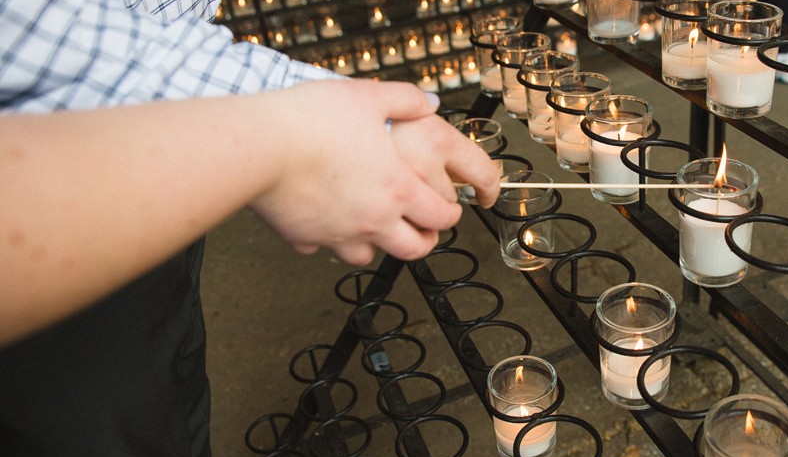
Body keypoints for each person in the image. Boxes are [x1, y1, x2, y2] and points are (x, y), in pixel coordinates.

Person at [0, 0, 497, 457]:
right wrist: (283, 133)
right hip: (69, 173)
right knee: (99, 446)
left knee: (169, 377)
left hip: (168, 109)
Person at [0, 76, 500, 348]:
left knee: (169, 366)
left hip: (166, 190)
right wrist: (290, 140)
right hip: (68, 253)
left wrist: (311, 125)